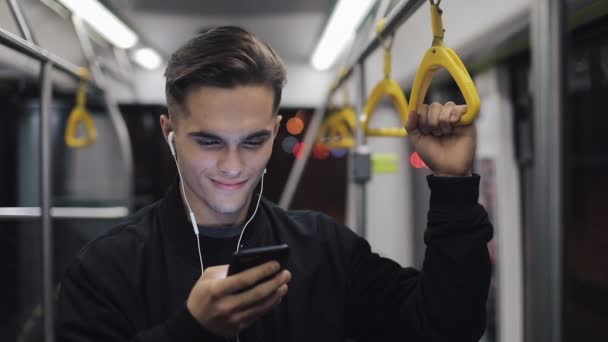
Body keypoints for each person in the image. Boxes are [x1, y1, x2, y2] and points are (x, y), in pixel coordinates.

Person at [57, 26, 493, 341]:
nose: (232, 166)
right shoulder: (106, 269)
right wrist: (192, 331)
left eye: (253, 141)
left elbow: (445, 328)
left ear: (276, 129)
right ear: (171, 133)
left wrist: (452, 186)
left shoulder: (324, 248)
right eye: (209, 141)